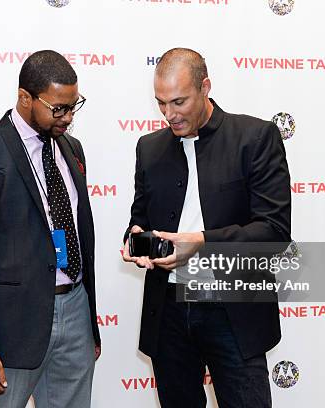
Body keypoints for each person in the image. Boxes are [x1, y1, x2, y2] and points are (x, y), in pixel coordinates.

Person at [122, 48, 291, 408]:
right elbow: (139, 219)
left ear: (206, 87)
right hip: (167, 310)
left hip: (232, 310)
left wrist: (201, 242)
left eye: (179, 101)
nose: (169, 114)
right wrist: (136, 243)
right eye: (161, 103)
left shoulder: (255, 137)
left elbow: (274, 232)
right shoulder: (149, 148)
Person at [0, 50, 101, 408]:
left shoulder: (71, 149)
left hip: (75, 308)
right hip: (11, 326)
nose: (68, 117)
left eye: (73, 105)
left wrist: (88, 324)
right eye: (58, 108)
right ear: (25, 98)